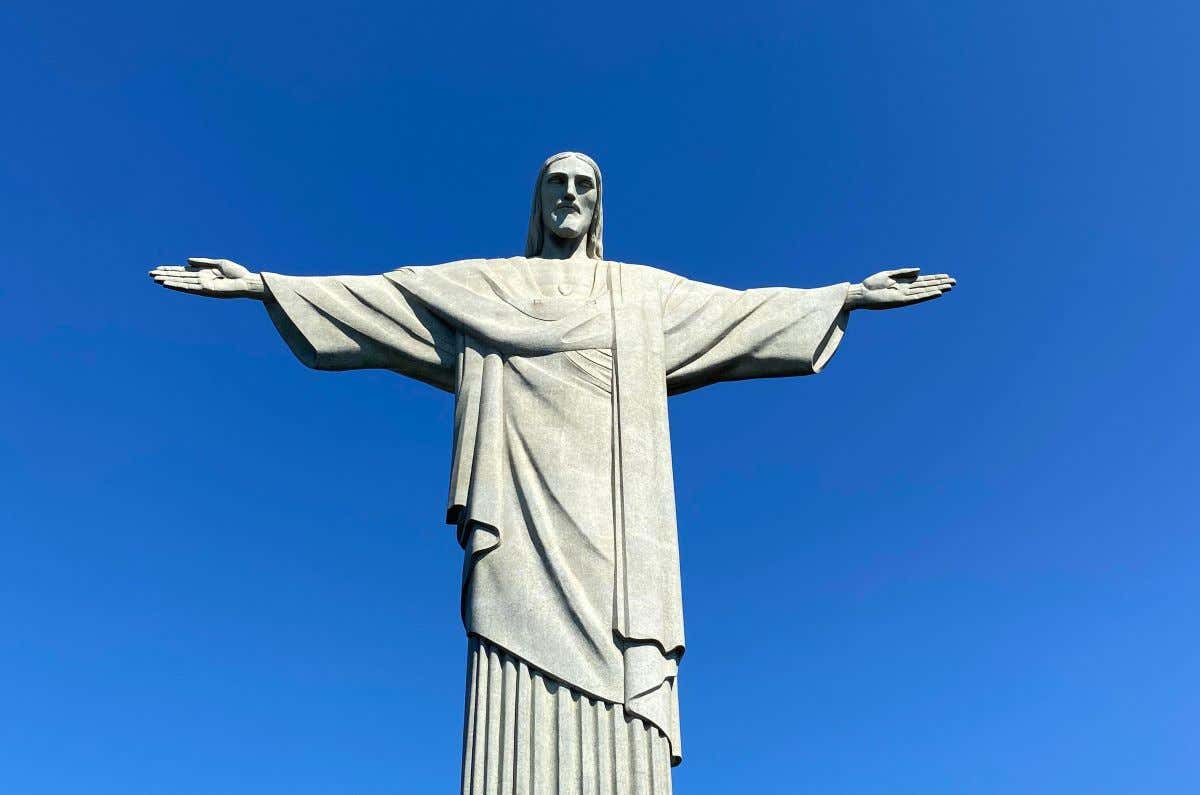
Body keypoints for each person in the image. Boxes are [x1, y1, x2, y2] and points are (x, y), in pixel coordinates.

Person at [150, 151, 955, 794]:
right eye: (556, 183)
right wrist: (265, 285)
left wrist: (844, 295)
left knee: (620, 673)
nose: (570, 194)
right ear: (538, 203)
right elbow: (386, 301)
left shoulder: (639, 295)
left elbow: (737, 312)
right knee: (511, 675)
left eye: (585, 185)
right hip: (520, 523)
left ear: (599, 206)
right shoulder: (488, 287)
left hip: (617, 531)